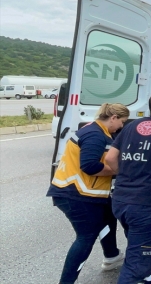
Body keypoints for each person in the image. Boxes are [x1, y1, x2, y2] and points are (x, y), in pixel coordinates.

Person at [46, 103, 129, 284]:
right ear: (113, 117)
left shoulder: (98, 130)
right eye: (121, 122)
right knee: (86, 236)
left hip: (88, 194)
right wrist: (118, 171)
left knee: (108, 215)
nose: (121, 127)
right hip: (75, 194)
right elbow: (89, 166)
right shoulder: (94, 135)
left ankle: (112, 256)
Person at [104, 91, 151, 284]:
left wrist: (129, 174)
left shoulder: (131, 126)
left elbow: (110, 158)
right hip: (147, 205)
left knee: (142, 248)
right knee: (137, 264)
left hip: (121, 200)